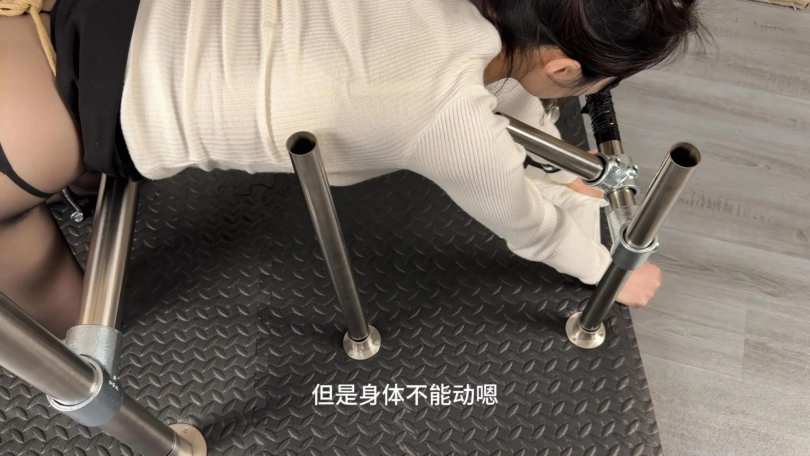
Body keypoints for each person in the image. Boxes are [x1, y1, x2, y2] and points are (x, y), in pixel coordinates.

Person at [0, 0, 705, 337]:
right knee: (69, 318)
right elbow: (530, 229)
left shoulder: (480, 18)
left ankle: (79, 182)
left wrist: (561, 175)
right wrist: (609, 271)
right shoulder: (443, 115)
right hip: (30, 112)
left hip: (97, 18)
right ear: (566, 68)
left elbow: (515, 98)